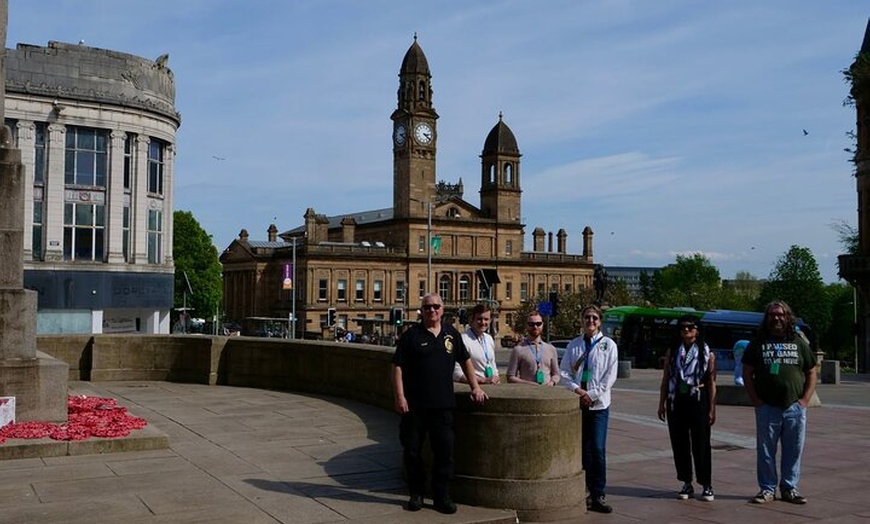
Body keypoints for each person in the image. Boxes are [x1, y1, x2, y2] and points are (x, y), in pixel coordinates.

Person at [392, 293, 488, 514]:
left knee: (444, 453)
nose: (432, 310)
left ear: (442, 310)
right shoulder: (411, 336)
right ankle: (416, 493)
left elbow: (465, 361)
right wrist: (400, 396)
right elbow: (397, 367)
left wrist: (475, 387)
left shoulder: (451, 334)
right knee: (412, 451)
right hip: (414, 407)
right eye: (427, 307)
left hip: (443, 406)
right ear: (421, 311)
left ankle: (441, 496)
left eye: (436, 306)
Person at [742, 301, 817, 505]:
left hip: (794, 407)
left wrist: (804, 401)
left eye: (781, 315)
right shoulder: (758, 342)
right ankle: (767, 489)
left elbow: (811, 371)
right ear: (767, 319)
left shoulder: (798, 342)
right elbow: (747, 372)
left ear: (787, 317)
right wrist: (756, 400)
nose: (777, 318)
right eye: (772, 315)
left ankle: (789, 488)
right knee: (766, 451)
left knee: (794, 450)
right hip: (767, 407)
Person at [559, 304, 618, 513]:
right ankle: (583, 491)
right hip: (578, 403)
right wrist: (578, 391)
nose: (590, 321)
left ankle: (598, 493)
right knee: (582, 449)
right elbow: (564, 373)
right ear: (582, 320)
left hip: (599, 405)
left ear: (600, 321)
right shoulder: (574, 345)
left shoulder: (609, 345)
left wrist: (591, 395)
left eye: (594, 318)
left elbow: (610, 377)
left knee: (598, 449)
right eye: (587, 317)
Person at [657, 315, 717, 502]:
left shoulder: (706, 352)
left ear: (697, 330)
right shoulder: (673, 351)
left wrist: (712, 408)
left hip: (698, 397)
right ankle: (686, 481)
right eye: (683, 327)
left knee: (701, 443)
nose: (686, 330)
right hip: (677, 398)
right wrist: (661, 403)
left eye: (690, 327)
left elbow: (711, 382)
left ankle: (706, 484)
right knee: (679, 442)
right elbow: (666, 378)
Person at [506, 311, 560, 386]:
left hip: (547, 394)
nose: (535, 327)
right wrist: (530, 384)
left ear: (542, 325)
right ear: (527, 326)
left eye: (538, 324)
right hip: (527, 394)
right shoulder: (518, 349)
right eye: (531, 324)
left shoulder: (551, 349)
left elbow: (556, 375)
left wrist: (552, 382)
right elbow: (510, 377)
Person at [454, 303, 500, 384]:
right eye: (479, 319)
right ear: (472, 319)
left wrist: (496, 377)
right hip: (473, 388)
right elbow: (456, 374)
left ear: (490, 320)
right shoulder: (462, 339)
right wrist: (482, 380)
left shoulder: (489, 339)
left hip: (491, 386)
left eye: (486, 319)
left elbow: (493, 365)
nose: (483, 322)